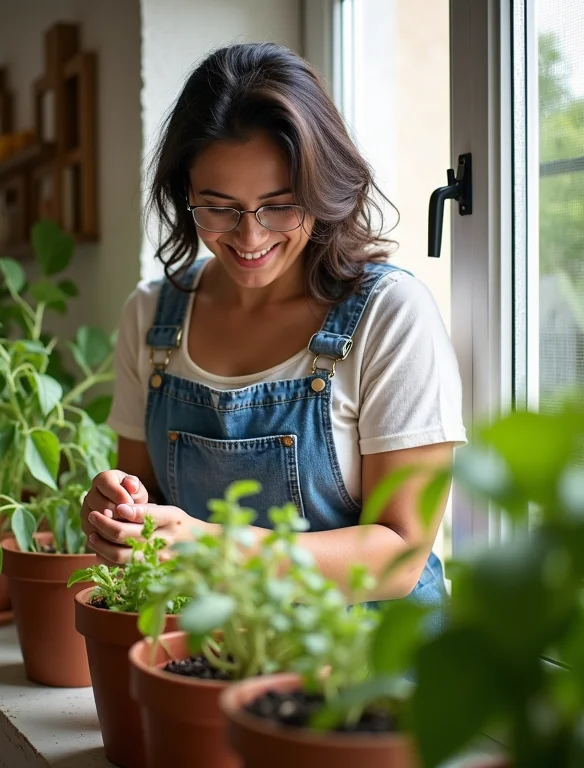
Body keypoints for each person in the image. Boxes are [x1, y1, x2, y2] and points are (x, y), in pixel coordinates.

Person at [81, 42, 466, 625]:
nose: (250, 237)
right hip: (220, 654)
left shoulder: (390, 314)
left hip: (374, 661)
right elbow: (150, 503)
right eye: (218, 208)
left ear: (323, 191)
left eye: (280, 206)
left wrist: (210, 547)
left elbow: (400, 557)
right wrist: (121, 513)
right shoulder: (151, 317)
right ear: (186, 194)